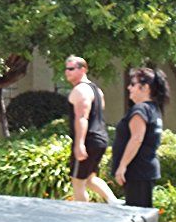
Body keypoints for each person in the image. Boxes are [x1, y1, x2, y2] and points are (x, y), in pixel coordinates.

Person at [65, 56, 121, 204]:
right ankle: (114, 202)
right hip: (100, 139)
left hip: (88, 140)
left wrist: (80, 144)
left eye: (71, 69)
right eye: (66, 69)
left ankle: (82, 215)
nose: (67, 72)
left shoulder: (80, 90)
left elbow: (82, 118)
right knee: (90, 178)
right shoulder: (97, 90)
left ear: (83, 69)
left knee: (78, 182)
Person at [112, 67, 170, 208]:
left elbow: (137, 138)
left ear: (145, 88)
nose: (129, 88)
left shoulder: (141, 109)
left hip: (137, 172)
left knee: (137, 215)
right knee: (141, 214)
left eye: (133, 84)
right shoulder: (152, 109)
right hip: (144, 171)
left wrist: (122, 167)